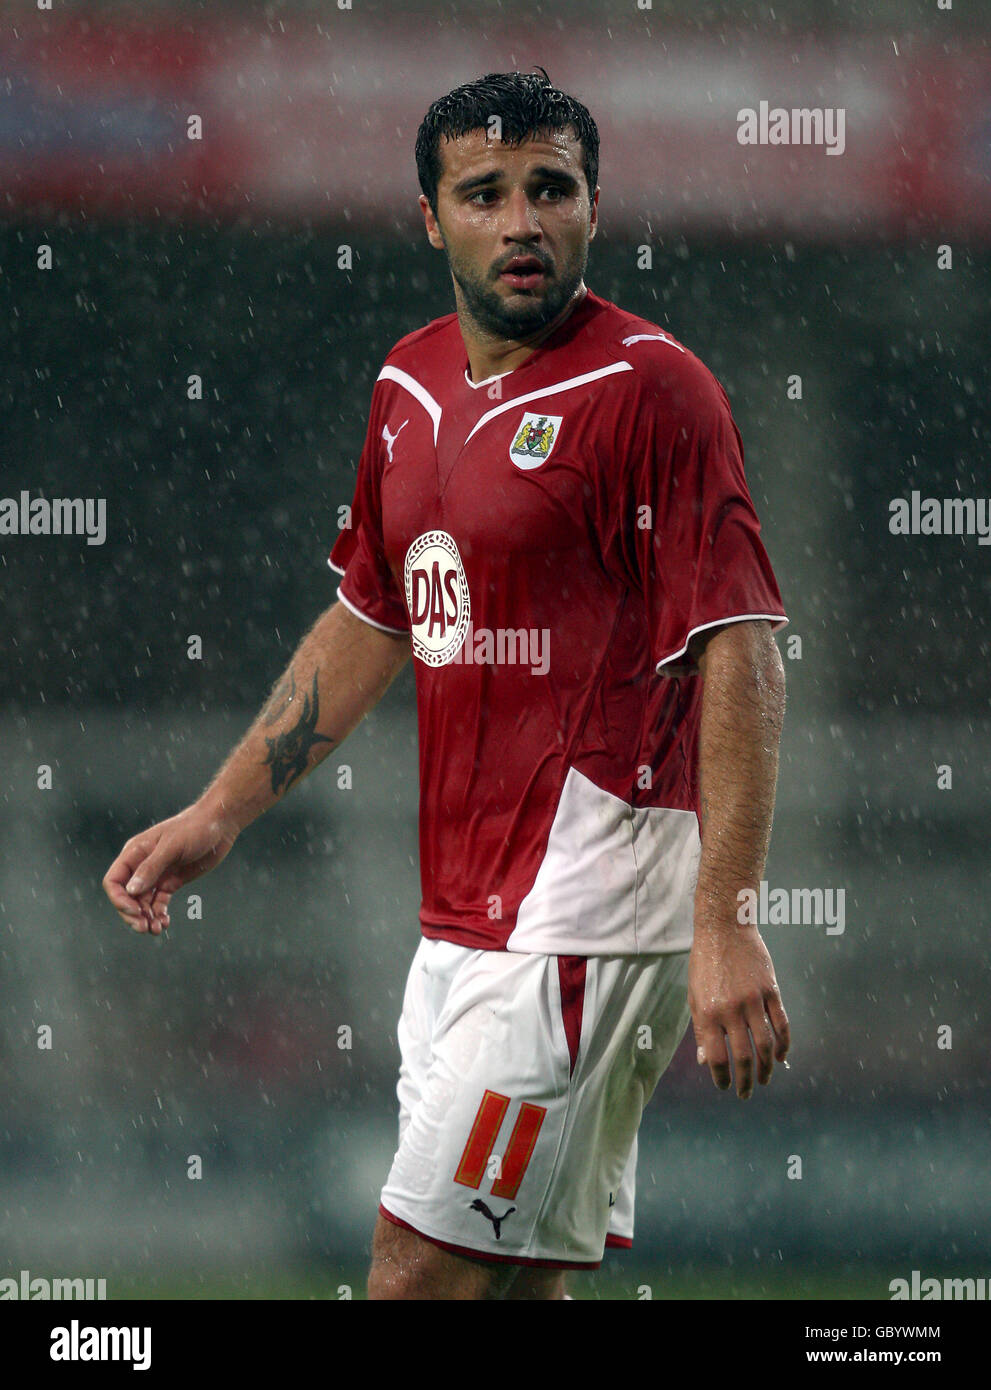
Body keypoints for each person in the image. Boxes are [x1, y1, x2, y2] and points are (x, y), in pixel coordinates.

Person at [103, 69, 791, 1301]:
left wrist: (727, 915)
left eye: (551, 189)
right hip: (458, 921)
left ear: (592, 206)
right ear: (432, 218)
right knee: (513, 1284)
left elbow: (741, 647)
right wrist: (219, 812)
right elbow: (372, 621)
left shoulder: (652, 391)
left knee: (413, 1277)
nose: (521, 220)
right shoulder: (406, 387)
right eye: (485, 193)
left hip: (589, 899)